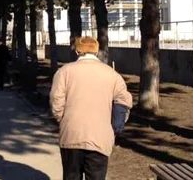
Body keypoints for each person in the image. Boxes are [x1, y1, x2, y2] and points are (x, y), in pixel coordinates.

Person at [49, 36, 132, 180]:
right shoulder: (112, 74)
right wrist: (115, 128)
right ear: (97, 51)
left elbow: (56, 101)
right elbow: (123, 101)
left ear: (77, 52)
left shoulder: (64, 72)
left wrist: (62, 119)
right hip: (100, 137)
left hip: (71, 135)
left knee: (71, 176)